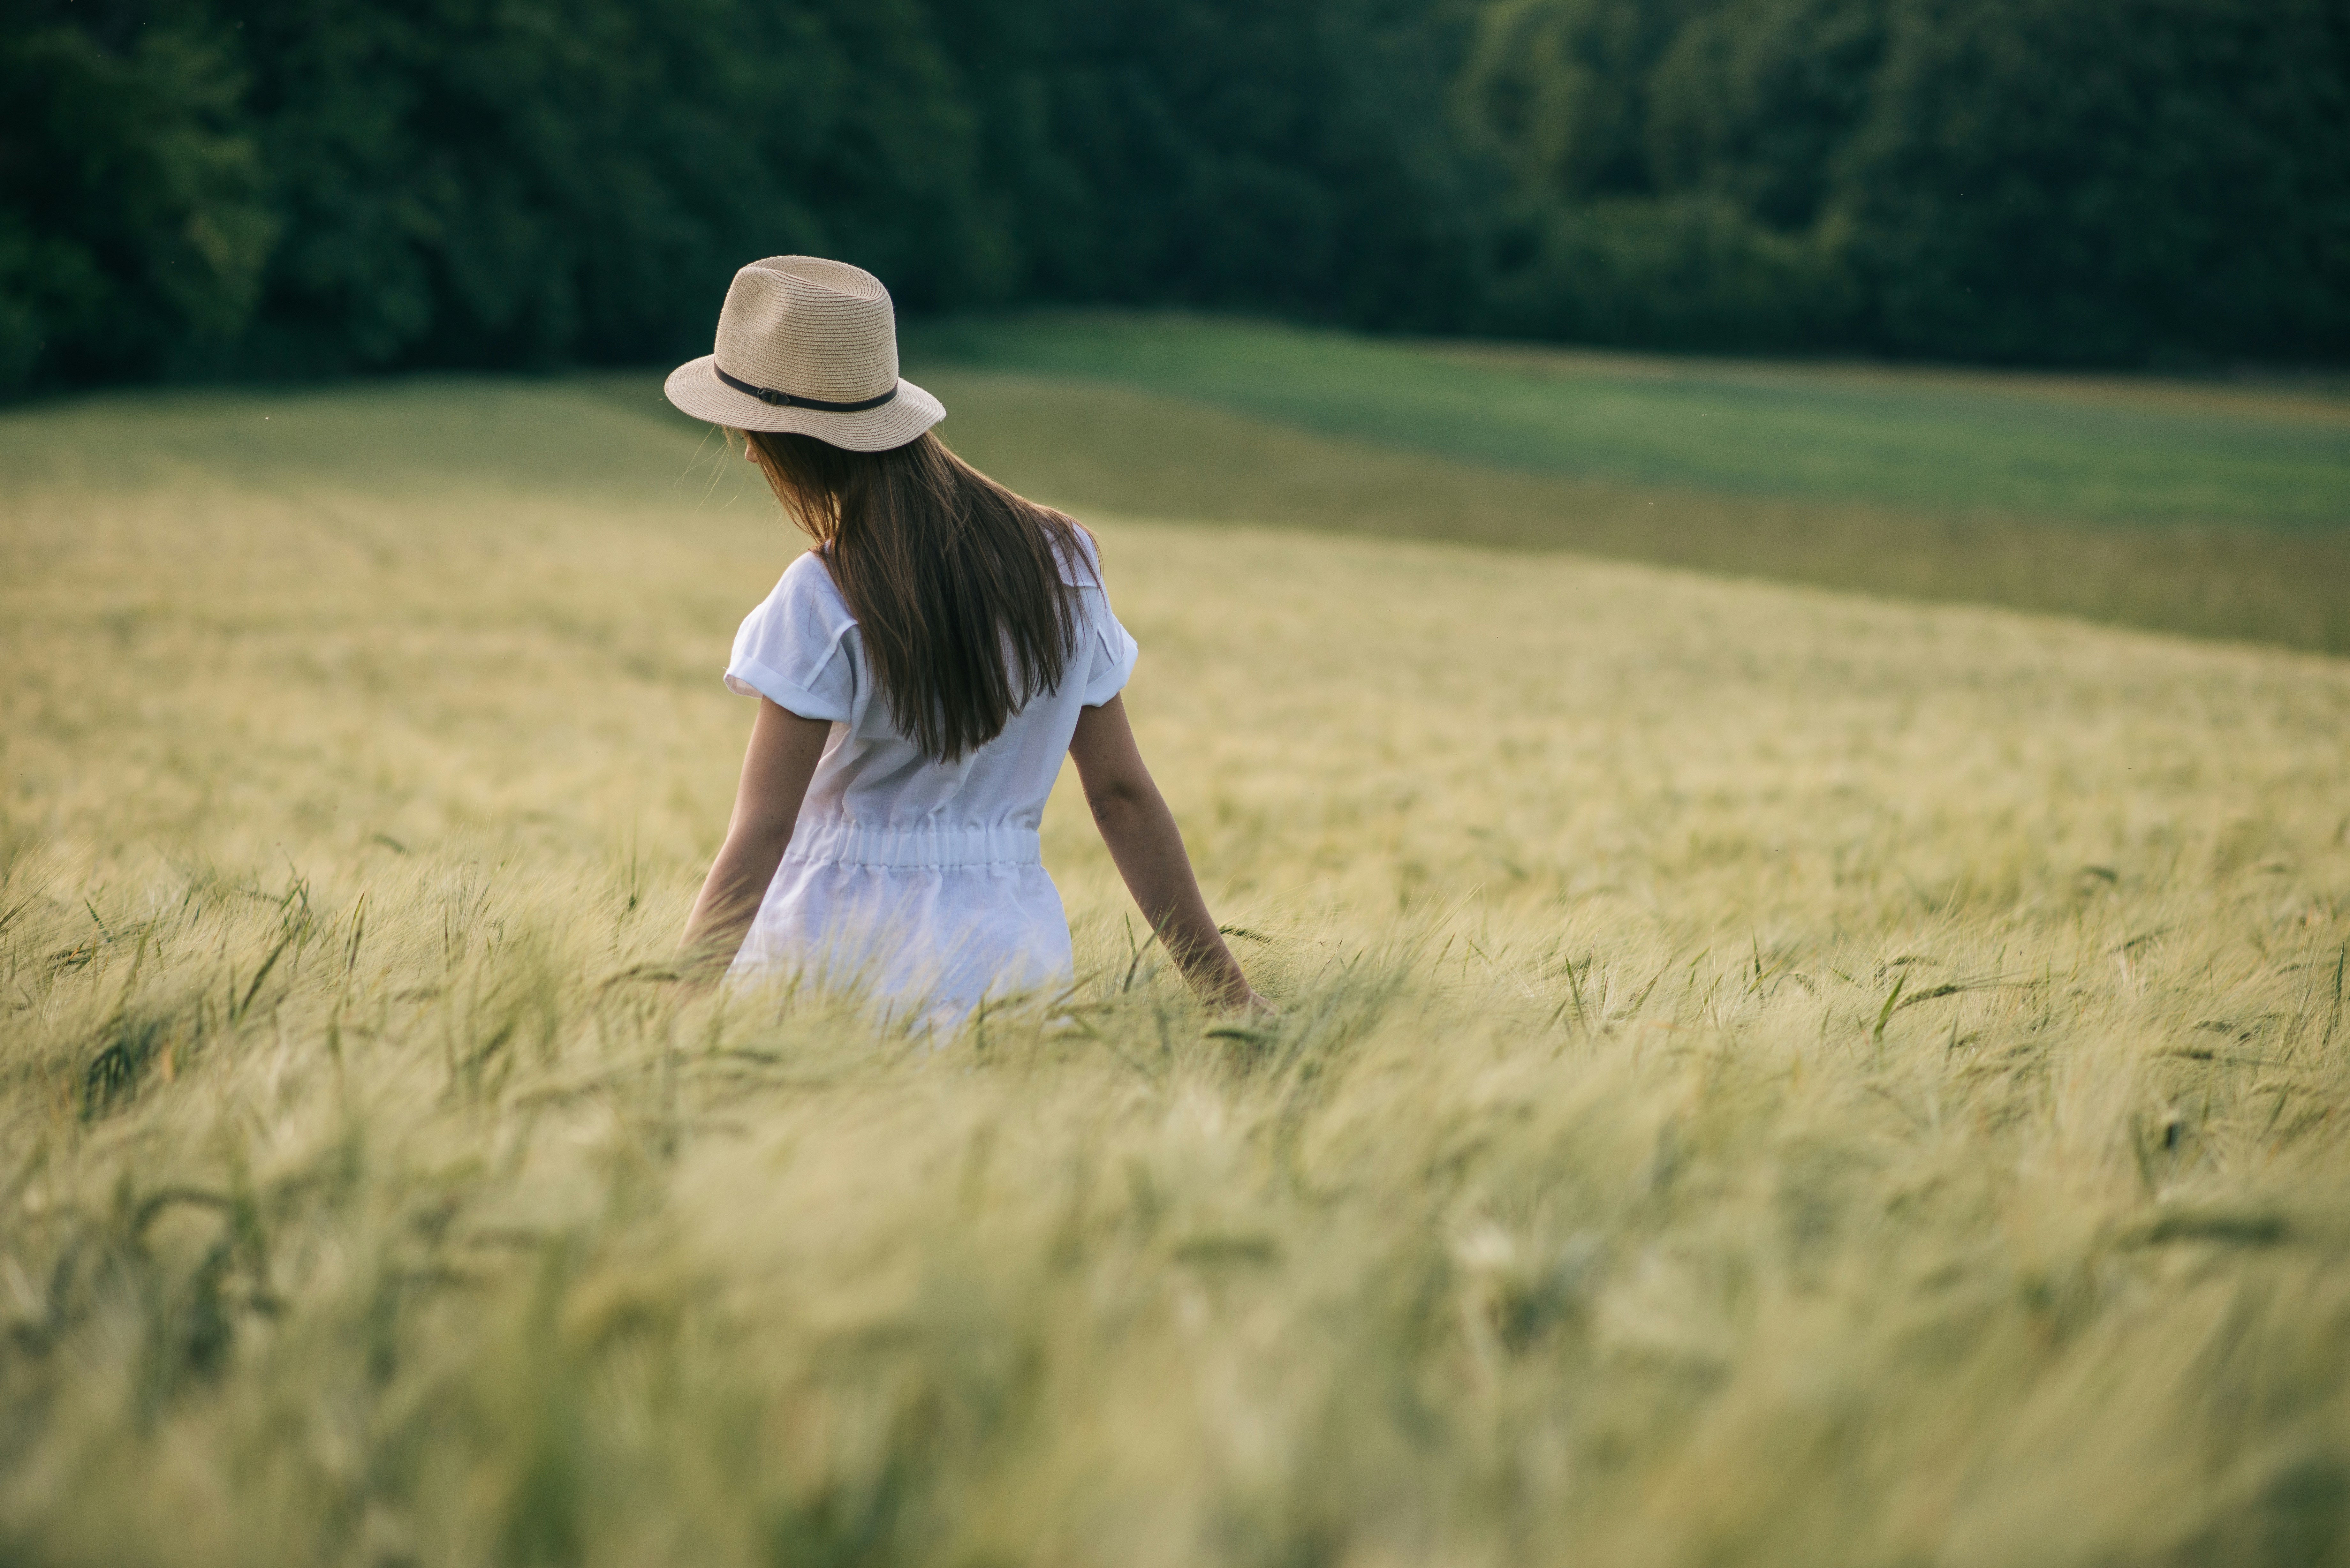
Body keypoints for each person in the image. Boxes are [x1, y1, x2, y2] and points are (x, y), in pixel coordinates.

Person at [666, 255, 1263, 1023]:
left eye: (755, 431)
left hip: (832, 964)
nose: (748, 452)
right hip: (1009, 964)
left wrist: (674, 1011)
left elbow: (764, 829)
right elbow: (1121, 797)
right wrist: (1232, 998)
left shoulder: (820, 598)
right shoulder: (1064, 564)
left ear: (801, 440)